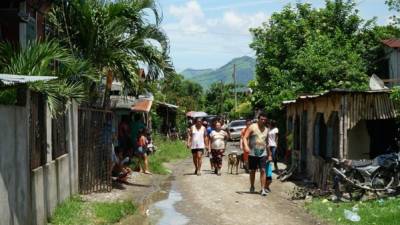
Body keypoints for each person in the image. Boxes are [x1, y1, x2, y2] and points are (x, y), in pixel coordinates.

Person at [243, 113, 271, 196]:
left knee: (263, 170)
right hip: (252, 153)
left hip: (263, 153)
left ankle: (262, 189)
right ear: (258, 119)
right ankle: (252, 186)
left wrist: (269, 155)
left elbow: (267, 143)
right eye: (261, 119)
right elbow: (245, 137)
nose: (263, 121)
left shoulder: (266, 129)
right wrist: (246, 146)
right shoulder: (252, 127)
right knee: (253, 171)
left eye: (264, 120)